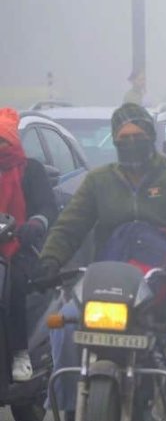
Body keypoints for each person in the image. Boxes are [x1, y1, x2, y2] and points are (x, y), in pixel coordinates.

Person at [38, 103, 166, 421]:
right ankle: (68, 407)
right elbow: (70, 225)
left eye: (138, 135)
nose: (132, 141)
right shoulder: (98, 181)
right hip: (108, 278)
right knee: (62, 325)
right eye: (124, 137)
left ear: (150, 136)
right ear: (115, 142)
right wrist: (50, 259)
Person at [0, 108, 57, 383]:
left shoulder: (31, 170)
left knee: (13, 286)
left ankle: (19, 352)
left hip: (19, 249)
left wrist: (33, 226)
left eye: (2, 141)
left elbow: (46, 207)